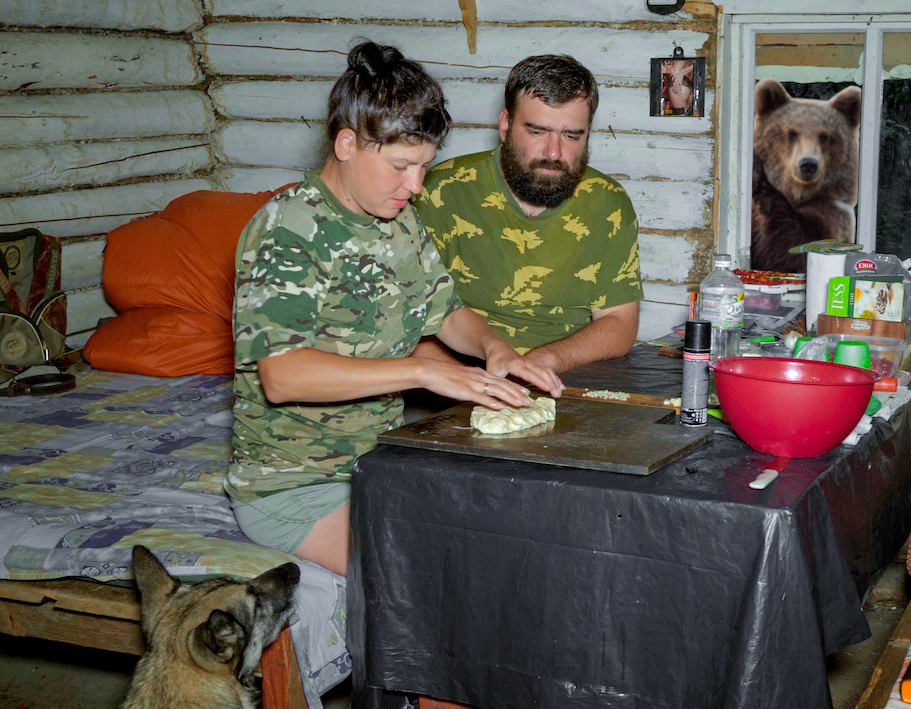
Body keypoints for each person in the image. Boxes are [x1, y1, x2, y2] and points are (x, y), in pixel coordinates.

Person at [226, 42, 563, 577]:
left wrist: (497, 349)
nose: (416, 185)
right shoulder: (288, 231)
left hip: (375, 465)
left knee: (512, 533)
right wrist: (426, 372)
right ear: (346, 144)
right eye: (402, 166)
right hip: (294, 487)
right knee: (431, 583)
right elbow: (283, 375)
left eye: (426, 166)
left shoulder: (396, 219)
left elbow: (447, 311)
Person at [411, 54, 642, 374]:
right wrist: (478, 383)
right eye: (537, 132)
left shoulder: (608, 203)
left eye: (571, 135)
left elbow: (619, 323)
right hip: (454, 377)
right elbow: (410, 324)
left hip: (561, 375)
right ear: (505, 125)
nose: (554, 152)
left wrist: (543, 363)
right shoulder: (439, 191)